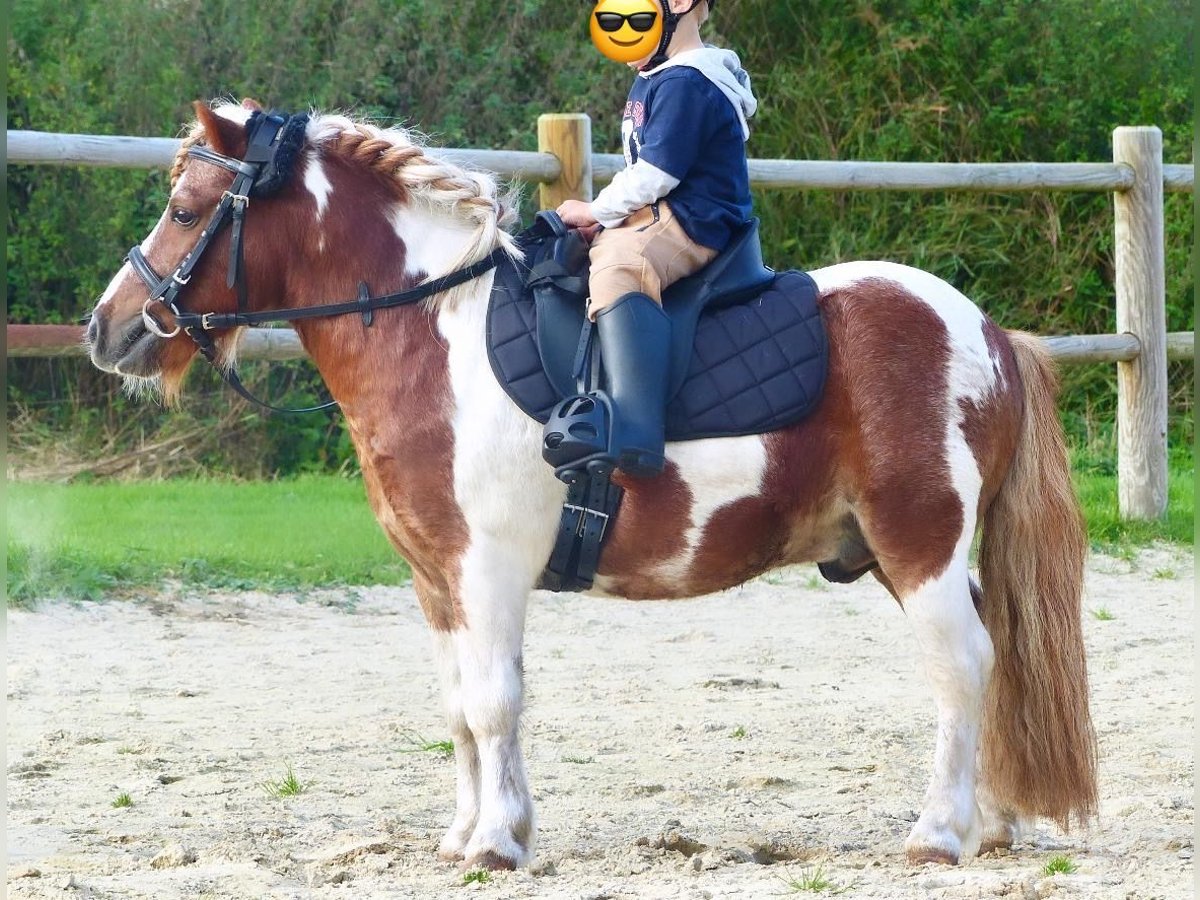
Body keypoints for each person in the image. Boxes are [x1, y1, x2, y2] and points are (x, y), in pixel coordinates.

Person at [556, 0, 756, 477]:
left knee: (619, 265)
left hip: (693, 220)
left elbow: (656, 173)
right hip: (660, 211)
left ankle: (635, 431)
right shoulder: (658, 76)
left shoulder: (689, 81)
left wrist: (597, 211)